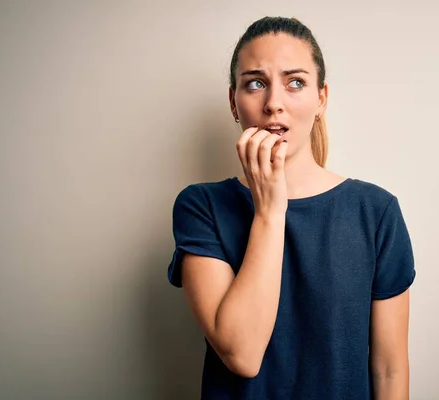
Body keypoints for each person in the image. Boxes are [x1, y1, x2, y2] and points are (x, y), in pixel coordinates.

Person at [167, 16, 416, 400]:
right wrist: (269, 210)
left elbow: (388, 370)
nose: (274, 104)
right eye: (255, 84)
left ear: (322, 99)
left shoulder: (376, 212)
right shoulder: (201, 207)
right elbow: (242, 354)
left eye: (295, 82)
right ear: (234, 101)